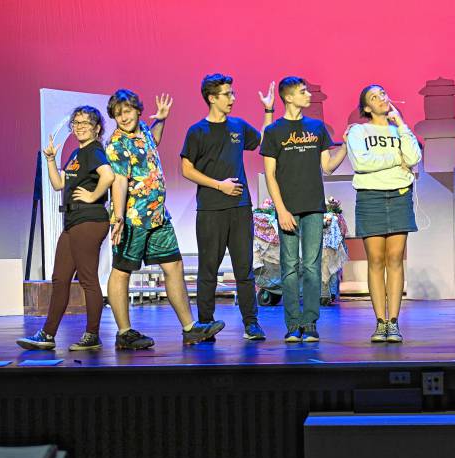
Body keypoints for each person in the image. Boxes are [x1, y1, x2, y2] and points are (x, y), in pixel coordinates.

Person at [106, 89, 223, 349]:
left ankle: (190, 328)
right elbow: (120, 181)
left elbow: (153, 143)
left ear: (137, 110)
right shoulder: (117, 144)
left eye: (126, 111)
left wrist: (161, 120)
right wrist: (118, 218)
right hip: (134, 218)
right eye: (117, 114)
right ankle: (124, 333)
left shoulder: (144, 129)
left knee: (174, 267)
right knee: (122, 271)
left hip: (158, 216)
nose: (123, 118)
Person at [180, 74, 275, 341]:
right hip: (211, 209)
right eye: (227, 94)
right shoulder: (197, 131)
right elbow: (186, 168)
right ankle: (206, 323)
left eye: (232, 93)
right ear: (212, 98)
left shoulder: (238, 126)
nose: (232, 99)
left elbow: (263, 142)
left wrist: (268, 110)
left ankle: (251, 323)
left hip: (240, 207)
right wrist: (218, 185)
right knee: (208, 268)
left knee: (244, 268)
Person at [17, 106, 114, 351]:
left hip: (89, 221)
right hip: (73, 223)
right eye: (76, 123)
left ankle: (92, 335)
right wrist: (50, 159)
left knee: (88, 280)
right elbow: (59, 184)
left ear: (97, 128)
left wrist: (93, 196)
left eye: (85, 123)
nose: (79, 127)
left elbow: (108, 175)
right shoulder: (76, 154)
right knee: (60, 279)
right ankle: (47, 335)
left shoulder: (93, 151)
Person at [260, 77, 347, 343]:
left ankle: (309, 322)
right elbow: (270, 175)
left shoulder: (317, 127)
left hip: (313, 207)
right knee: (288, 266)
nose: (308, 94)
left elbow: (328, 167)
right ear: (288, 97)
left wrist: (344, 145)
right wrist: (281, 210)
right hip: (288, 208)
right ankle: (292, 323)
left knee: (311, 266)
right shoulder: (274, 131)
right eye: (302, 91)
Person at [345, 84, 421, 343]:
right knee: (376, 260)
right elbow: (362, 163)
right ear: (366, 107)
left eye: (383, 94)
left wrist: (400, 122)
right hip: (371, 197)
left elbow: (413, 157)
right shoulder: (358, 130)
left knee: (396, 258)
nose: (381, 99)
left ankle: (394, 321)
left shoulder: (397, 129)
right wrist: (394, 160)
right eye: (374, 97)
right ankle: (380, 321)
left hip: (399, 195)